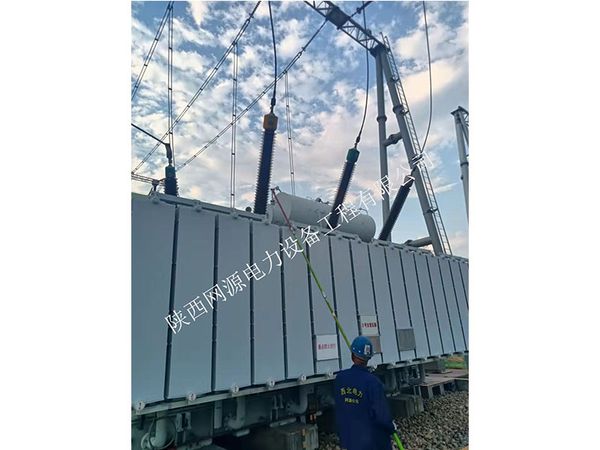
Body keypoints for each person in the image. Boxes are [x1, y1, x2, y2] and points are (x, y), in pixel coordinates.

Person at [334, 336, 395, 450]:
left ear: (352, 355)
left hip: (350, 440)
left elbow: (340, 408)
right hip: (372, 442)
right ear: (368, 358)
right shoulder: (373, 382)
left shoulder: (340, 378)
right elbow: (381, 415)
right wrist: (391, 427)